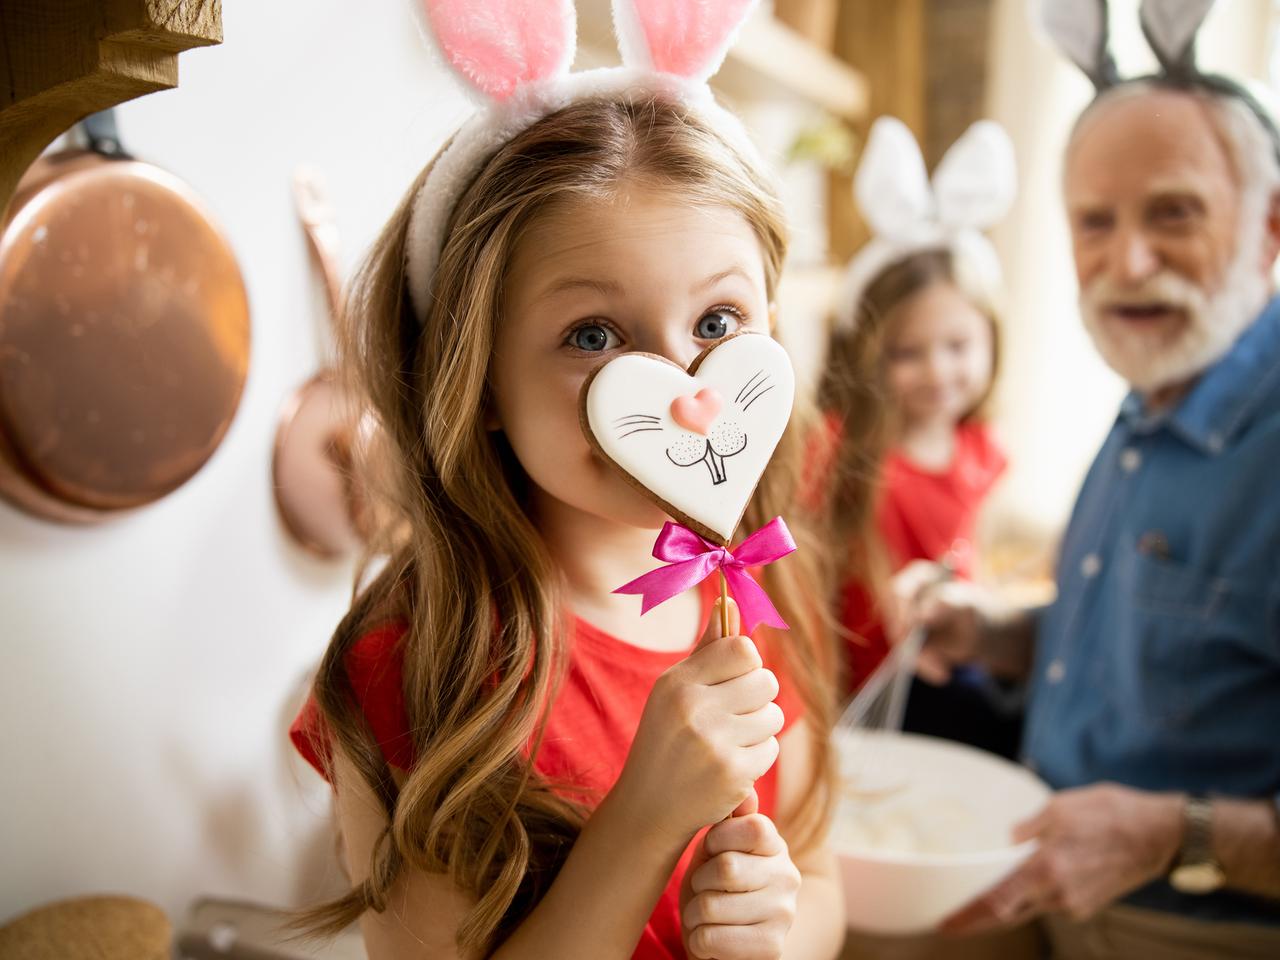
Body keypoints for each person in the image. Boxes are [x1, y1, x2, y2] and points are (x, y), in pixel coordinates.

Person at [286, 3, 843, 959]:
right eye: (594, 337)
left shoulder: (758, 586)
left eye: (718, 324)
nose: (683, 396)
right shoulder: (416, 668)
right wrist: (642, 822)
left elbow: (823, 873)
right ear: (481, 380)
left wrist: (783, 932)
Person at [914, 4, 1280, 955]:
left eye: (1174, 213)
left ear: (1269, 225)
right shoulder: (1154, 388)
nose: (1130, 262)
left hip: (1188, 924)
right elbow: (1156, 645)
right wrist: (994, 631)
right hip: (1053, 876)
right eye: (1094, 222)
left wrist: (1171, 834)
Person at [816, 117, 1022, 758]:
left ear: (991, 338)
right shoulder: (837, 451)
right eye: (908, 352)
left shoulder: (982, 450)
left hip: (948, 667)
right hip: (860, 697)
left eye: (957, 346)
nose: (938, 371)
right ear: (868, 354)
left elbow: (972, 554)